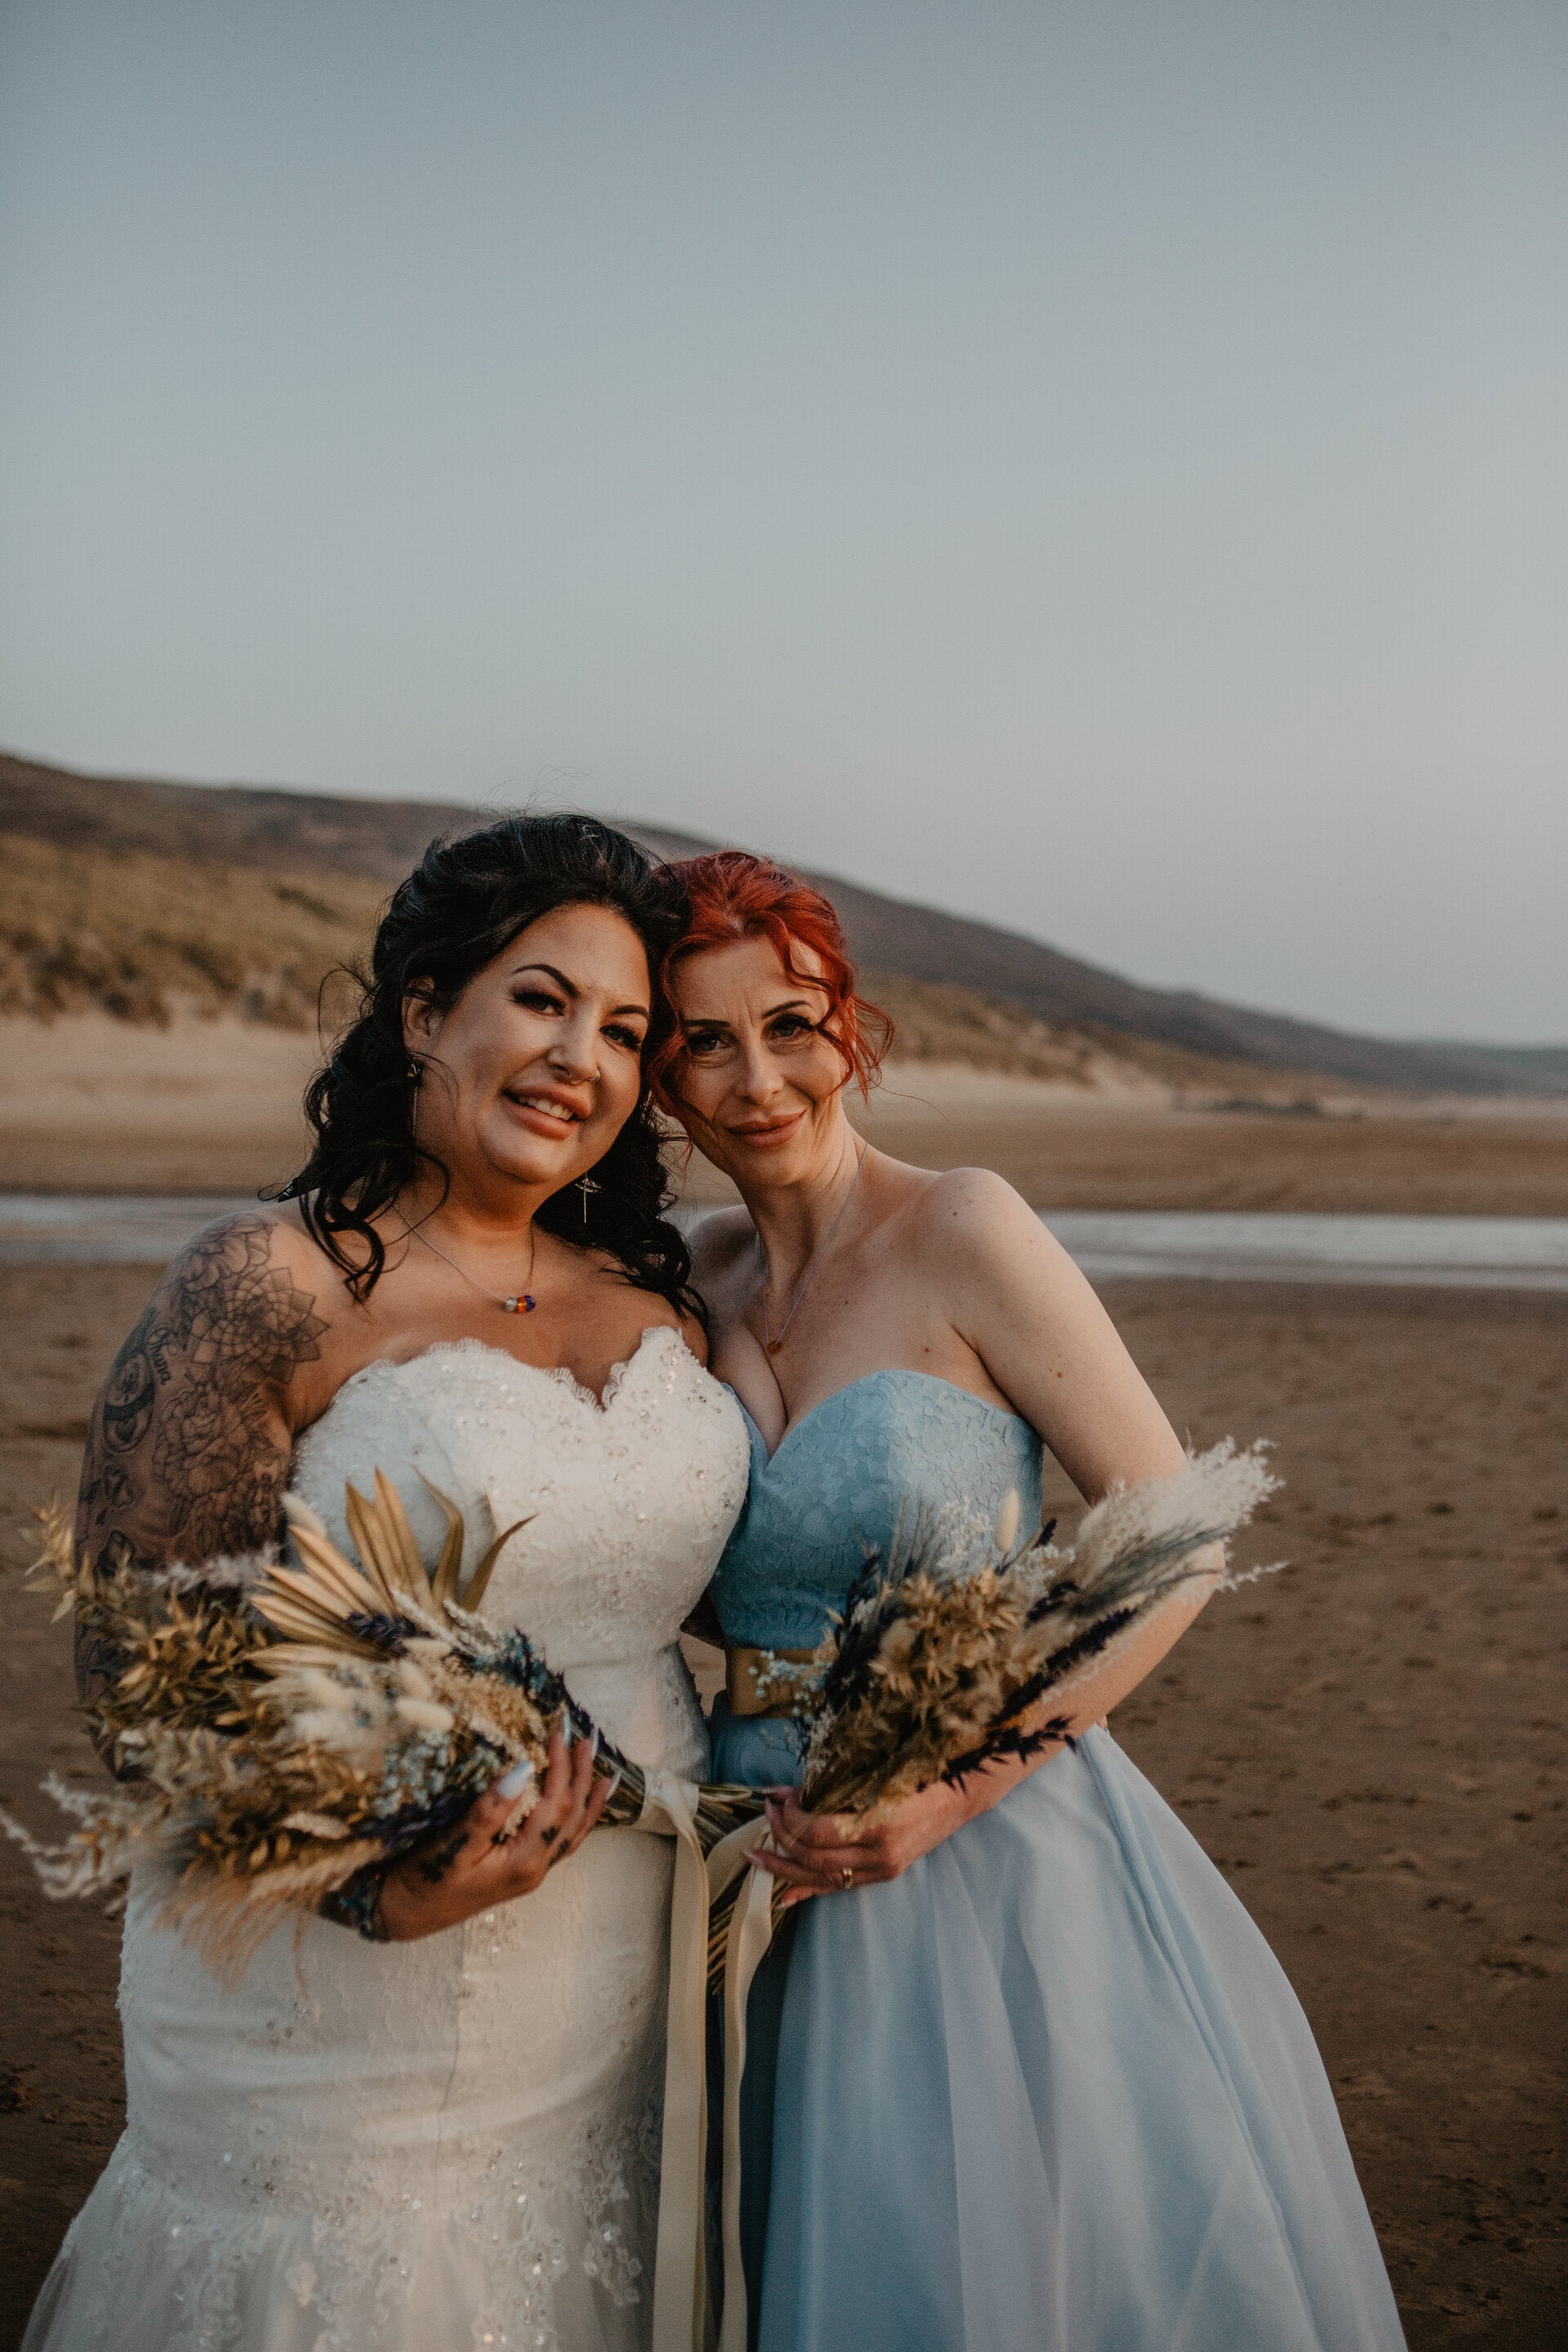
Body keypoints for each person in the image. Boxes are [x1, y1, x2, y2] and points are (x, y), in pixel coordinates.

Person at [657, 850, 1406, 2352]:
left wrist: (944, 1798)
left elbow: (1174, 1541)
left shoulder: (965, 1231)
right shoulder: (691, 1277)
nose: (758, 1077)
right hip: (738, 1853)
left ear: (849, 1029)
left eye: (791, 1024)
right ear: (658, 1075)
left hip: (981, 1854)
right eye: (703, 1039)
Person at [24, 815, 750, 2352]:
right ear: (425, 1009)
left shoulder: (660, 1303)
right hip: (339, 2012)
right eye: (541, 999)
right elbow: (146, 1694)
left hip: (627, 1975)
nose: (584, 1058)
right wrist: (368, 1889)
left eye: (626, 1030)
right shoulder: (266, 1285)